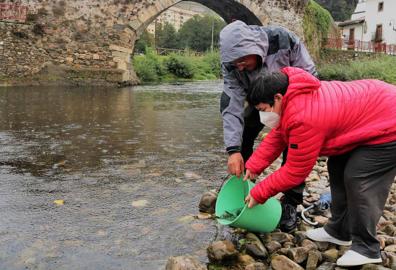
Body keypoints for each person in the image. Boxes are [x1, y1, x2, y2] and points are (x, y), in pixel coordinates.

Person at [243, 67, 396, 267]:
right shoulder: (293, 97)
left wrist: (259, 193)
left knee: (359, 178)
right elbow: (280, 135)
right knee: (337, 166)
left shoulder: (303, 117)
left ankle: (367, 248)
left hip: (388, 123)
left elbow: (295, 171)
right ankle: (339, 231)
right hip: (366, 116)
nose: (263, 116)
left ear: (278, 97)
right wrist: (254, 166)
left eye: (263, 110)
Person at [219, 20, 317, 231]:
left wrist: (295, 115)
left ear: (253, 49)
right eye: (234, 63)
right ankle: (243, 184)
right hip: (259, 101)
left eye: (243, 60)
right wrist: (232, 150)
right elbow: (231, 105)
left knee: (294, 144)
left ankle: (290, 202)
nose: (239, 66)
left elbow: (309, 76)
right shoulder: (231, 64)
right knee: (243, 133)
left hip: (294, 100)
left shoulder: (282, 40)